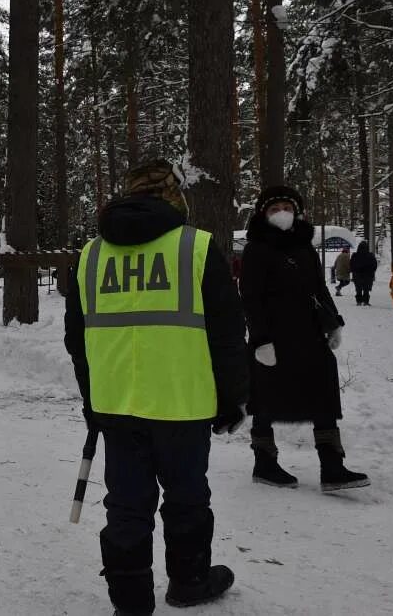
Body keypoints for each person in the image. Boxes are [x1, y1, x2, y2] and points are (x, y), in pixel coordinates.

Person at [65, 161, 249, 615]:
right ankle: (189, 581)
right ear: (173, 196)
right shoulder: (197, 248)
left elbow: (77, 339)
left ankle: (130, 604)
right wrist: (231, 398)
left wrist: (93, 401)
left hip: (116, 407)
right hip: (181, 403)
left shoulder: (90, 256)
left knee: (126, 507)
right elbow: (226, 332)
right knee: (187, 498)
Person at [240, 186, 370, 493]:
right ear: (263, 214)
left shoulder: (305, 249)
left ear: (297, 211)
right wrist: (260, 340)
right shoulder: (256, 249)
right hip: (272, 338)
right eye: (275, 209)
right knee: (265, 402)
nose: (282, 212)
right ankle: (264, 463)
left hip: (309, 336)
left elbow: (319, 290)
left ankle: (332, 467)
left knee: (323, 397)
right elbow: (250, 297)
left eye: (287, 206)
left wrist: (333, 322)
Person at [349, 241, 378, 306]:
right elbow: (374, 265)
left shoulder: (355, 255)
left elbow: (351, 264)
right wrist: (371, 272)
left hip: (357, 275)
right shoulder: (370, 255)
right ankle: (366, 301)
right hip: (367, 275)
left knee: (358, 289)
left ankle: (359, 301)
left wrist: (354, 271)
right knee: (366, 289)